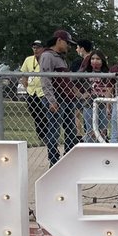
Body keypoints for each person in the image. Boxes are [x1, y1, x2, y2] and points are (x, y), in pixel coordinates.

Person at [39, 30, 81, 165]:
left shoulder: (60, 57)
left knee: (71, 130)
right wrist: (51, 100)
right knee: (54, 130)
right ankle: (54, 159)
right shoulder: (47, 56)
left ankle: (68, 158)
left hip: (67, 99)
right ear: (59, 40)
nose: (68, 46)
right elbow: (45, 79)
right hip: (57, 98)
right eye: (67, 43)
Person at [20, 40, 50, 147]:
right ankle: (41, 135)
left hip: (43, 92)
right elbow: (24, 74)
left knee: (44, 114)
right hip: (32, 92)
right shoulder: (29, 59)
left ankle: (47, 135)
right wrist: (26, 85)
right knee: (35, 114)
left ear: (43, 48)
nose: (36, 49)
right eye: (34, 47)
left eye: (38, 47)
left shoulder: (46, 59)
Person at [85, 50, 114, 142]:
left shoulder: (107, 74)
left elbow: (109, 90)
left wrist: (108, 106)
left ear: (102, 61)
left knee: (102, 131)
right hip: (89, 105)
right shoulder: (86, 73)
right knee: (91, 131)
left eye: (98, 59)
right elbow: (75, 84)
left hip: (103, 105)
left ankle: (101, 149)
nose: (95, 61)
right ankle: (90, 150)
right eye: (92, 59)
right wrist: (82, 95)